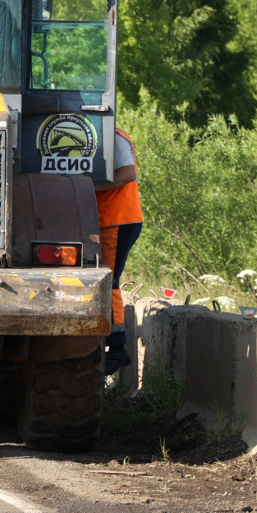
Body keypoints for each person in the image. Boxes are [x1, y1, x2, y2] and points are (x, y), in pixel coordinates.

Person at [94, 127, 144, 376]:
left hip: (117, 218)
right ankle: (114, 345)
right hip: (112, 218)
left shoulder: (113, 135)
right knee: (108, 278)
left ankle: (116, 349)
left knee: (108, 279)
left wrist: (90, 187)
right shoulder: (102, 133)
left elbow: (128, 173)